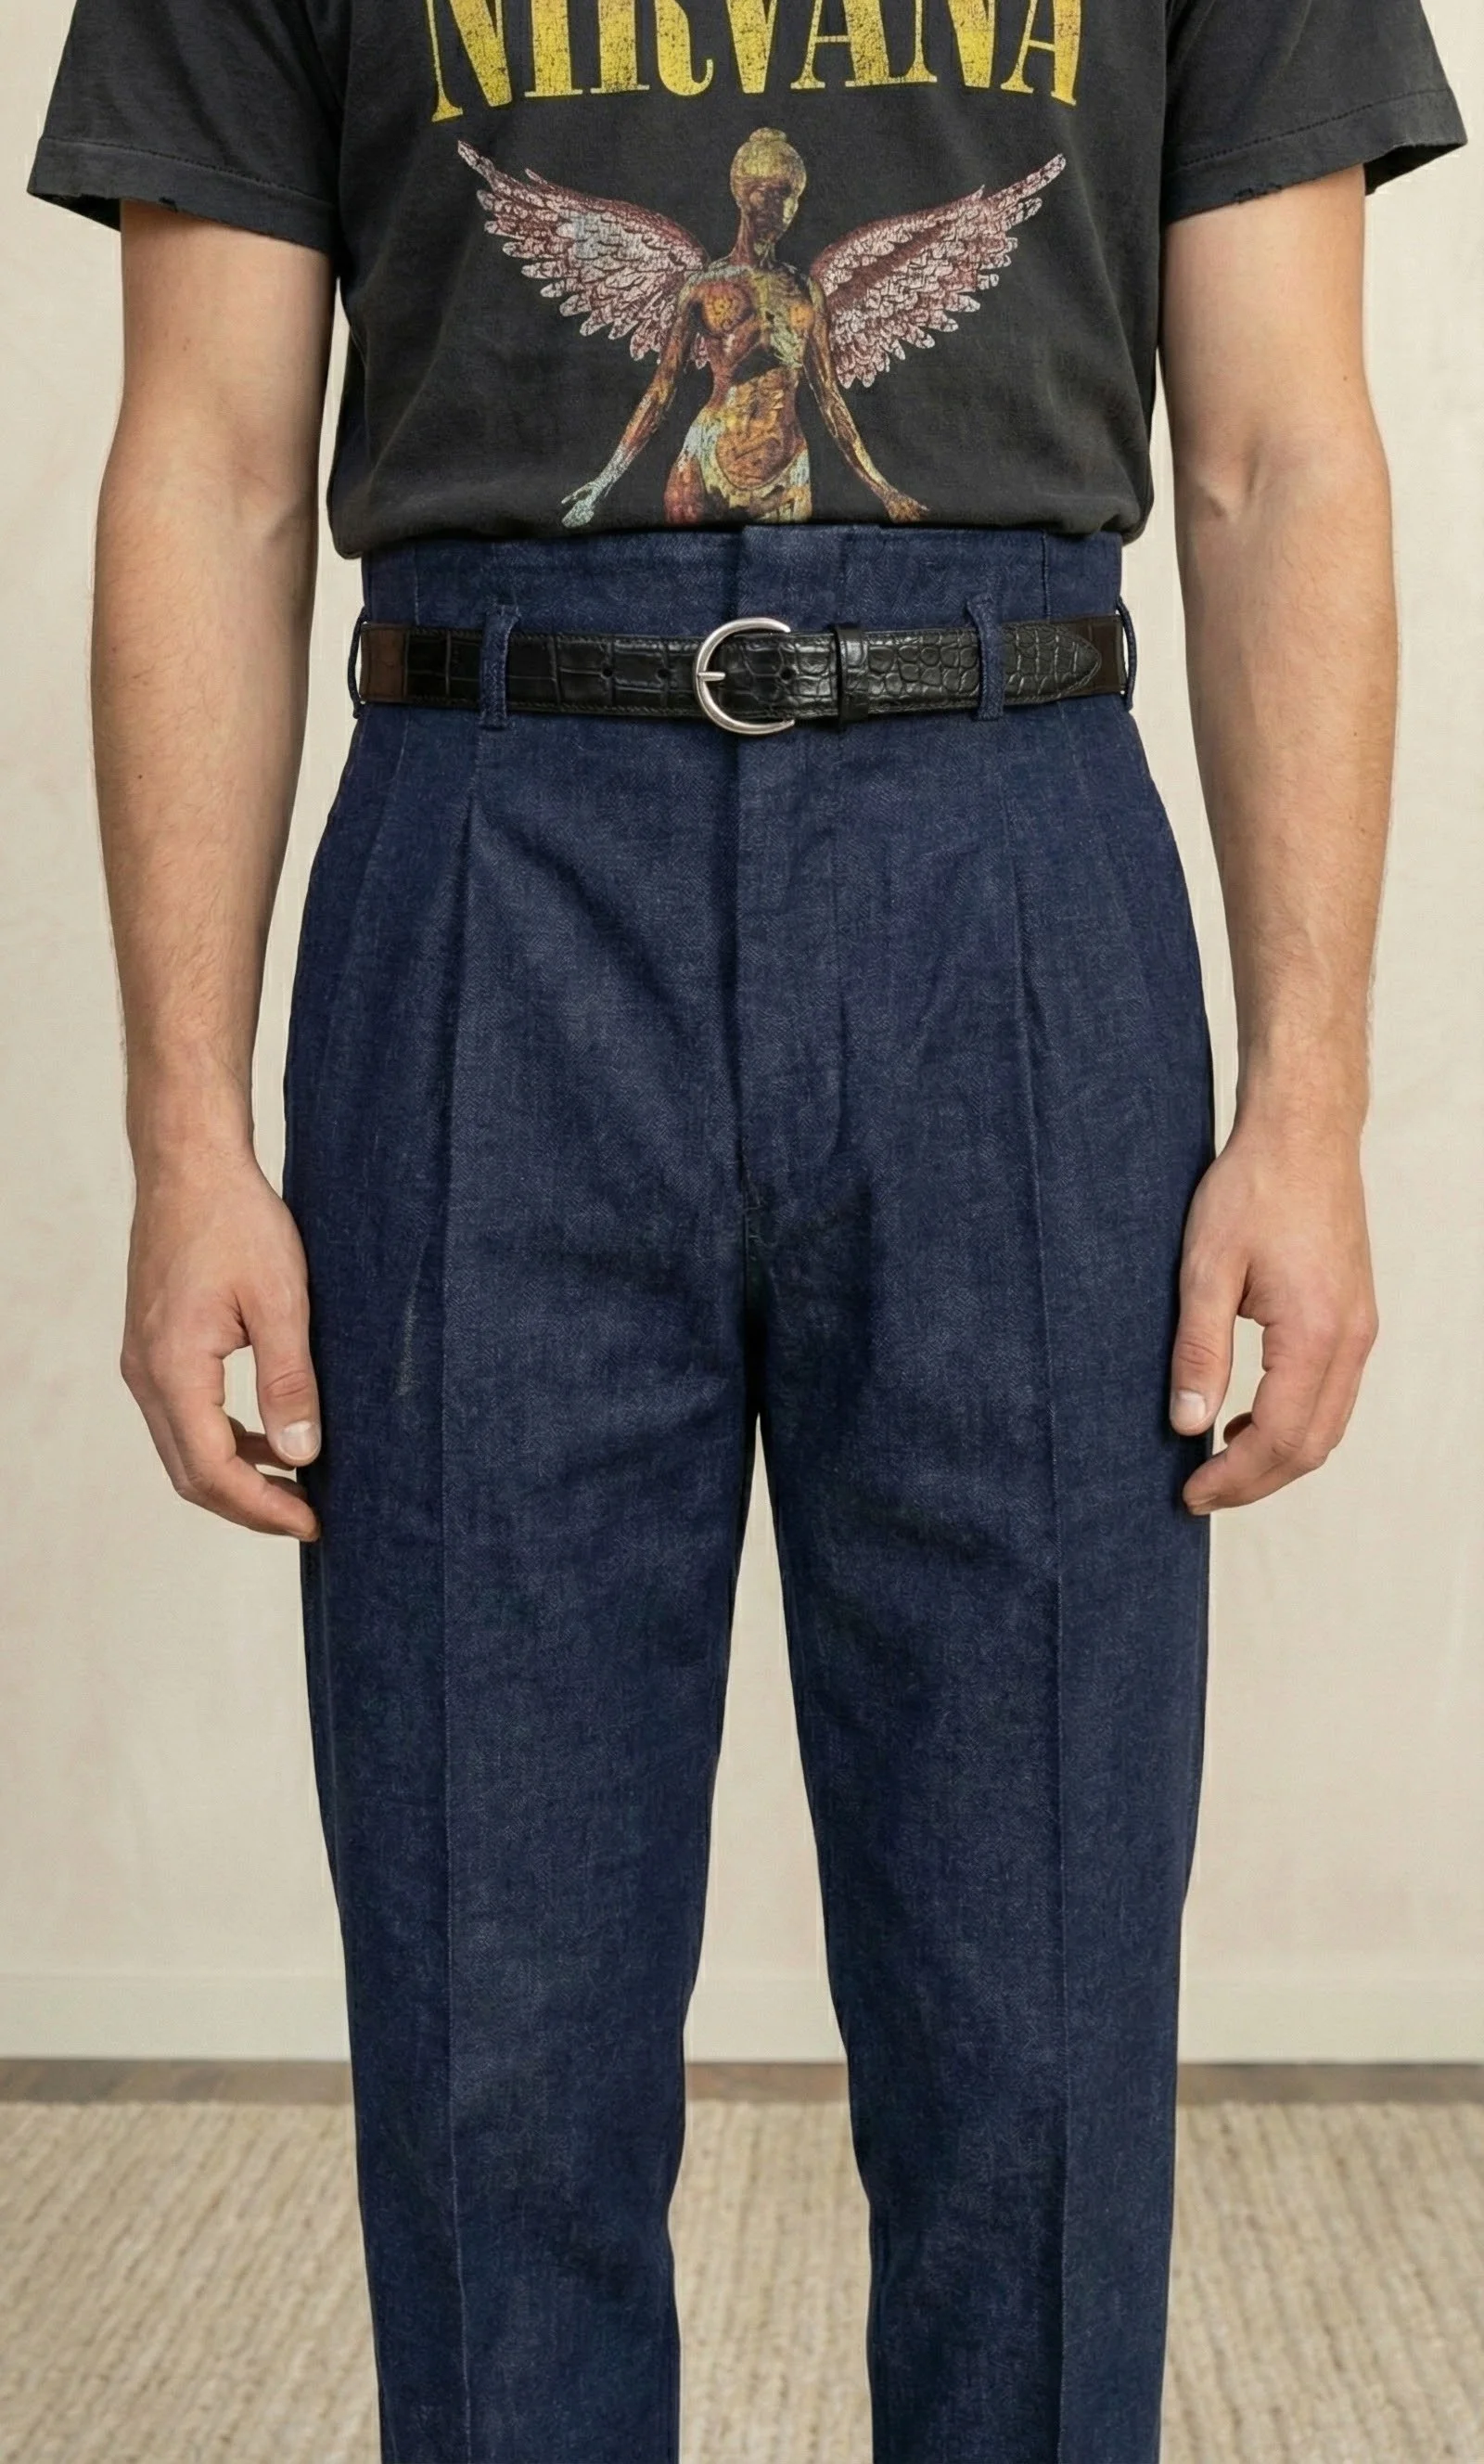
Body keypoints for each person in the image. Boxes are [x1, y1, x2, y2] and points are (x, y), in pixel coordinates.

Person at [27, 0, 1464, 2450]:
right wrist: (185, 1135)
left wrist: (1308, 1106)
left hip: (1007, 852)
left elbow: (1274, 456)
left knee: (1036, 2031)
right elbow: (214, 463)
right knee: (492, 2032)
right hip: (495, 858)